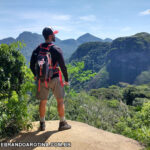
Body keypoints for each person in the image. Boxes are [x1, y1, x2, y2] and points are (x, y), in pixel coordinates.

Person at [30, 27, 71, 131]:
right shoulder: (56, 49)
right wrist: (66, 79)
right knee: (60, 101)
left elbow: (31, 65)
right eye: (53, 34)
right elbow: (63, 67)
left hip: (42, 79)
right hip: (55, 78)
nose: (55, 36)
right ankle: (62, 123)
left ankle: (42, 124)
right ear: (50, 36)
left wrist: (36, 75)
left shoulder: (37, 49)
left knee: (43, 102)